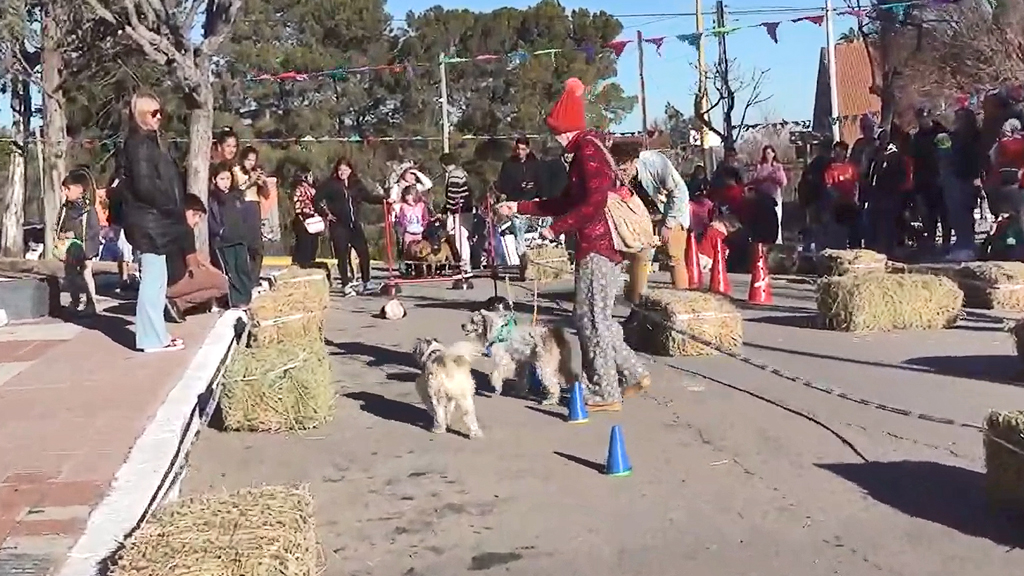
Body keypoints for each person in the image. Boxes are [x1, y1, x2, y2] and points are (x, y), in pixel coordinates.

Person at [496, 77, 650, 413]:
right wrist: (520, 207)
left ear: (568, 128)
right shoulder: (586, 151)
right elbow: (565, 200)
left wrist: (557, 229)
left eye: (557, 129)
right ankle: (633, 372)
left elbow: (594, 201)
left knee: (589, 320)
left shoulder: (587, 151)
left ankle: (605, 390)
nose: (555, 137)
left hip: (598, 245)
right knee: (599, 319)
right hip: (598, 244)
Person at [120, 92, 185, 353]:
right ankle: (150, 338)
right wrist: (169, 206)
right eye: (154, 113)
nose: (160, 117)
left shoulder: (148, 142)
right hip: (149, 220)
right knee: (152, 280)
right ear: (141, 115)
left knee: (158, 280)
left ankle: (156, 334)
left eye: (160, 112)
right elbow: (145, 185)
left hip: (154, 219)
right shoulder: (139, 144)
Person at [608, 140, 691, 301]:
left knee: (674, 257)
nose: (622, 175)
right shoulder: (614, 176)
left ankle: (683, 302)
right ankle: (636, 304)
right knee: (640, 258)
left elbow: (680, 192)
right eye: (618, 171)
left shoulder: (656, 163)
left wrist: (669, 223)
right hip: (643, 218)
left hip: (671, 212)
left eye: (625, 170)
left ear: (634, 162)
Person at [316, 158, 383, 296]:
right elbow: (316, 200)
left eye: (345, 170)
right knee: (342, 255)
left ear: (350, 170)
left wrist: (384, 200)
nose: (342, 173)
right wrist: (325, 213)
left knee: (363, 252)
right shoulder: (330, 184)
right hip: (338, 225)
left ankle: (366, 282)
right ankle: (346, 285)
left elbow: (368, 197)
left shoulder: (356, 184)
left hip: (354, 224)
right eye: (340, 170)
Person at [165, 194, 229, 322]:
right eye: (195, 215)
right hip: (175, 283)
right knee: (224, 285)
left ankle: (173, 304)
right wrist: (213, 273)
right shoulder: (185, 230)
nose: (197, 221)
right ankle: (179, 303)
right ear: (184, 211)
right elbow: (193, 265)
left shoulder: (165, 227)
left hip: (158, 284)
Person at [208, 161, 254, 308]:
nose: (225, 183)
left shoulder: (237, 197)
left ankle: (247, 299)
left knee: (243, 269)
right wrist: (220, 232)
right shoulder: (213, 199)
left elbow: (245, 216)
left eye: (228, 179)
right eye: (222, 179)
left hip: (239, 239)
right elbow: (210, 220)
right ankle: (236, 301)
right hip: (224, 242)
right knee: (231, 272)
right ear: (214, 180)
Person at [58, 168, 102, 315]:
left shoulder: (88, 209)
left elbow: (93, 230)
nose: (64, 193)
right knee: (70, 274)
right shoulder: (65, 208)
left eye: (67, 189)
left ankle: (91, 303)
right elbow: (60, 224)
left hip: (85, 246)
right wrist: (61, 235)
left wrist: (76, 236)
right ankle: (75, 300)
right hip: (70, 248)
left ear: (78, 189)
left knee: (86, 272)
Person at [944, 107, 983, 262]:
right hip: (954, 177)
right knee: (955, 214)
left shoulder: (975, 138)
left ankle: (967, 246)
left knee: (965, 213)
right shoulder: (953, 137)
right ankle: (960, 243)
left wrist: (977, 177)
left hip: (968, 178)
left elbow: (978, 158)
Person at [911, 107, 950, 251]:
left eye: (925, 117)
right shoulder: (917, 137)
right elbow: (915, 160)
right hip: (924, 179)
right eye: (920, 118)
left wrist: (944, 175)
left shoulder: (941, 133)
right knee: (929, 213)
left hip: (940, 178)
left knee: (944, 213)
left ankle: (946, 241)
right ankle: (931, 240)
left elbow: (947, 156)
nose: (923, 120)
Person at [234, 145, 269, 279]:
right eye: (248, 160)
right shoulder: (236, 172)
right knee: (243, 244)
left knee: (257, 246)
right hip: (241, 207)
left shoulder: (256, 172)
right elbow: (236, 191)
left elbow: (266, 195)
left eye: (253, 160)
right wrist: (250, 181)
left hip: (254, 207)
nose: (251, 163)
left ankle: (254, 276)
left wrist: (263, 183)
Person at [440, 153, 474, 270]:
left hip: (460, 211)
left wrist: (446, 209)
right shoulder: (462, 172)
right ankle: (464, 261)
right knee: (459, 235)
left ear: (444, 165)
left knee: (460, 237)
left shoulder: (454, 175)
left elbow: (453, 196)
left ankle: (465, 263)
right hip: (467, 209)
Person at [823, 141, 859, 248]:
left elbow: (856, 183)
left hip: (851, 203)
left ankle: (854, 248)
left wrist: (856, 197)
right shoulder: (830, 169)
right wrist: (838, 196)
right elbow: (828, 186)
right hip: (838, 205)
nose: (839, 153)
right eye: (837, 151)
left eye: (842, 151)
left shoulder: (851, 167)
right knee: (839, 230)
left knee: (854, 230)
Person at [749, 145, 788, 244]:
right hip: (762, 197)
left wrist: (775, 176)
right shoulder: (760, 166)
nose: (768, 156)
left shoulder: (777, 166)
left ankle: (778, 241)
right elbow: (754, 180)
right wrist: (764, 178)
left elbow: (783, 182)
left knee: (777, 218)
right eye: (766, 153)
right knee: (764, 219)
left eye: (769, 153)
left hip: (775, 196)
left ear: (774, 154)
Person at [290, 171, 321, 267]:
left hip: (312, 220)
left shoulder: (312, 189)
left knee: (313, 244)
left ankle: (308, 263)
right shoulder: (299, 189)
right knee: (304, 244)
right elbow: (298, 206)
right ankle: (302, 264)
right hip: (303, 219)